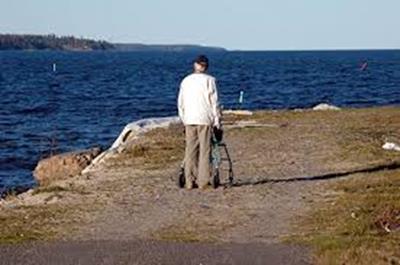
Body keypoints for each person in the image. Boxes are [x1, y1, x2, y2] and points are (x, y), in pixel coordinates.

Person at [177, 55, 220, 189]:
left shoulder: (185, 81)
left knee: (190, 151)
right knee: (205, 150)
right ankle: (203, 181)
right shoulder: (210, 80)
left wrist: (183, 119)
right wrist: (217, 120)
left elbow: (181, 103)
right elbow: (214, 102)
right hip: (204, 118)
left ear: (195, 65)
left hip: (189, 118)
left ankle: (189, 181)